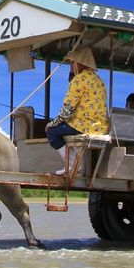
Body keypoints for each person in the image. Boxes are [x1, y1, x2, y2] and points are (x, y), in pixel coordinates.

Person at [45, 46, 109, 174]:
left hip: (83, 126)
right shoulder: (99, 81)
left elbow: (67, 110)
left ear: (80, 63)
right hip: (101, 127)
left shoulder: (78, 80)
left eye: (73, 62)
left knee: (52, 131)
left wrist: (52, 123)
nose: (71, 65)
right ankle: (77, 164)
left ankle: (73, 165)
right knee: (63, 129)